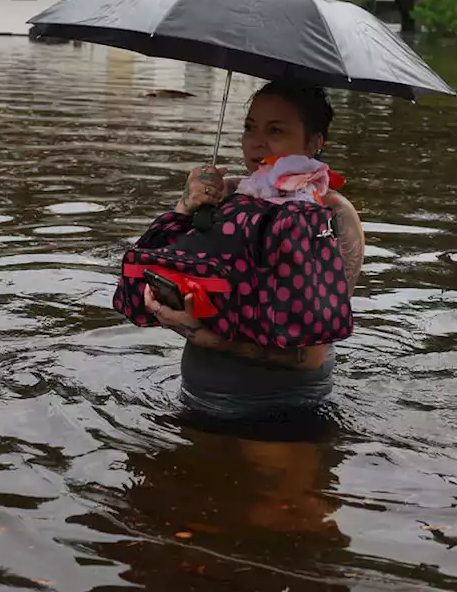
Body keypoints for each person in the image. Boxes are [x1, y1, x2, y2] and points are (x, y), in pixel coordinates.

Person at [141, 81, 366, 413]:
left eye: (275, 130)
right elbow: (154, 267)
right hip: (197, 399)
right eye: (249, 127)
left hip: (282, 410)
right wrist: (186, 205)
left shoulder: (331, 215)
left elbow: (311, 354)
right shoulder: (224, 197)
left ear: (315, 142)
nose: (256, 143)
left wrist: (210, 340)